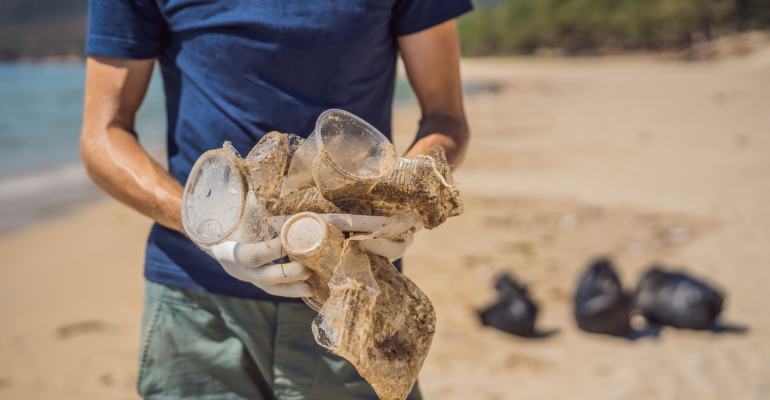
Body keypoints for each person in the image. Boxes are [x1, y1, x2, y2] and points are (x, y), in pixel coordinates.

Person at [80, 0, 471, 398]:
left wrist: (403, 195)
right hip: (197, 309)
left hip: (355, 292)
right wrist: (206, 229)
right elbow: (102, 135)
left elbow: (445, 115)